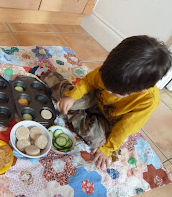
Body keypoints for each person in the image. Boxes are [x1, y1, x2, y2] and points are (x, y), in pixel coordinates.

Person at [42, 35, 172, 169]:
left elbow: (125, 127)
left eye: (116, 92)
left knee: (98, 141)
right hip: (93, 99)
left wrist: (107, 149)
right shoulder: (112, 69)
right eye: (106, 85)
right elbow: (87, 82)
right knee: (67, 96)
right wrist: (72, 97)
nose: (108, 91)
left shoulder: (148, 101)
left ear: (144, 89)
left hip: (110, 120)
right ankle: (52, 78)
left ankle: (71, 114)